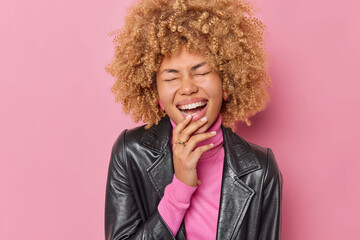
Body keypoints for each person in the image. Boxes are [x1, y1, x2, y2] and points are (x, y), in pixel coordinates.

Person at [105, 0, 283, 239]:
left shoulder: (261, 170)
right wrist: (180, 187)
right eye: (171, 78)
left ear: (226, 83)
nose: (187, 88)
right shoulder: (130, 153)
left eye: (201, 72)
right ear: (156, 93)